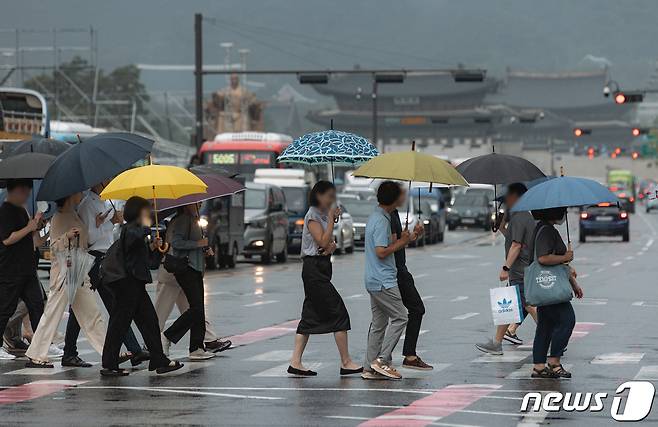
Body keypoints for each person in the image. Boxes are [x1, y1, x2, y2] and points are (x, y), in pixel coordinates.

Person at [62, 181, 150, 368]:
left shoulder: (106, 202)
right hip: (92, 259)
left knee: (110, 306)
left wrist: (114, 223)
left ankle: (133, 350)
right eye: (105, 179)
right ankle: (70, 352)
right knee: (90, 307)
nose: (109, 181)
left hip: (106, 257)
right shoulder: (87, 205)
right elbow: (88, 238)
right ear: (97, 182)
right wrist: (107, 222)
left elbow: (110, 235)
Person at [101, 196, 183, 376]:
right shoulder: (130, 229)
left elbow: (150, 264)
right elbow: (134, 238)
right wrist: (148, 229)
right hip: (126, 284)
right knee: (120, 323)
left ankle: (158, 360)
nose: (150, 215)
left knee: (149, 322)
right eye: (147, 211)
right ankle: (109, 364)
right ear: (139, 213)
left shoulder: (137, 232)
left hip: (134, 283)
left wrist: (155, 248)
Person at [288, 181, 361, 377]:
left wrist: (331, 247)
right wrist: (330, 219)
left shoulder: (319, 215)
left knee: (309, 316)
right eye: (329, 196)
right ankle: (346, 362)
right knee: (338, 312)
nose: (331, 200)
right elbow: (321, 240)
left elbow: (324, 244)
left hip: (320, 267)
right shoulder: (313, 215)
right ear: (319, 196)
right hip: (313, 271)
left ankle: (295, 361)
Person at [25, 192, 106, 368]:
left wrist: (98, 224)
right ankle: (36, 355)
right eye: (78, 193)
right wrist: (67, 236)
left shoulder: (74, 214)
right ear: (70, 195)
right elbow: (54, 247)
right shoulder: (59, 217)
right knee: (52, 314)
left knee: (91, 313)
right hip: (64, 273)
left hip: (79, 269)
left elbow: (87, 242)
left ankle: (109, 353)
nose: (81, 195)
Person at [476, 183, 538, 355]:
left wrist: (505, 268)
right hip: (520, 270)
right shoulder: (522, 216)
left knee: (530, 306)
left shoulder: (520, 217)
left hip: (520, 270)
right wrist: (502, 224)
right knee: (508, 306)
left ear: (517, 197)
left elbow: (516, 245)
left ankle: (550, 339)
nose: (506, 201)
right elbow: (512, 238)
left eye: (509, 197)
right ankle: (496, 343)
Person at [362, 181, 413, 381]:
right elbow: (381, 251)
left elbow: (386, 244)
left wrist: (409, 238)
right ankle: (382, 361)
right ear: (394, 198)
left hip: (375, 279)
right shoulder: (382, 220)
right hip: (383, 280)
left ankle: (369, 367)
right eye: (401, 194)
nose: (404, 197)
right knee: (401, 317)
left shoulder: (379, 216)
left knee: (379, 323)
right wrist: (402, 242)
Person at [529, 207, 583, 379]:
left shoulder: (542, 228)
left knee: (545, 326)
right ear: (554, 212)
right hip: (550, 285)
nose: (565, 214)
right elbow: (543, 258)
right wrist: (565, 257)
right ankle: (554, 362)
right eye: (563, 211)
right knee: (567, 320)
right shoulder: (546, 231)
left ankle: (538, 366)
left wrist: (573, 283)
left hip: (549, 284)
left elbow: (558, 265)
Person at [161, 204, 215, 360]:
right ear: (186, 205)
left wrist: (204, 249)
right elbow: (177, 243)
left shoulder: (193, 220)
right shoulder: (183, 220)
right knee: (196, 309)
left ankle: (197, 347)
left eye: (200, 203)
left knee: (198, 309)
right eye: (196, 203)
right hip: (187, 268)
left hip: (195, 268)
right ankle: (168, 336)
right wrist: (198, 244)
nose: (199, 205)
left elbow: (195, 242)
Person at [0, 179, 45, 361]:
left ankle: (39, 346)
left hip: (27, 269)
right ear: (16, 190)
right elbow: (7, 239)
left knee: (37, 305)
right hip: (10, 269)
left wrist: (37, 226)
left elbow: (31, 238)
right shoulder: (5, 211)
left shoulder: (22, 210)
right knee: (5, 309)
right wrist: (29, 227)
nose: (27, 195)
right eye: (25, 191)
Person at [389, 205, 432, 370]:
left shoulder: (392, 214)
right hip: (397, 271)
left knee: (384, 317)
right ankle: (408, 355)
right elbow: (391, 245)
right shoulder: (388, 217)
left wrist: (413, 235)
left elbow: (399, 242)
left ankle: (387, 356)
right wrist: (405, 238)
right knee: (416, 309)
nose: (403, 196)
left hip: (399, 269)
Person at [155, 265, 232, 353]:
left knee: (194, 308)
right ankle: (151, 342)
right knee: (160, 311)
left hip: (185, 270)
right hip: (172, 269)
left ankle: (209, 339)